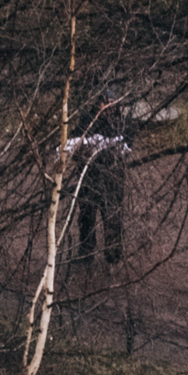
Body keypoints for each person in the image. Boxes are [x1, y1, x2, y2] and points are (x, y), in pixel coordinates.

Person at [67, 86, 132, 265]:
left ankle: (113, 256)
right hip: (89, 180)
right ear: (98, 104)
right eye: (106, 104)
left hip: (113, 182)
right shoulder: (87, 120)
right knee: (86, 217)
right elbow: (73, 144)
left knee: (113, 218)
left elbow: (127, 146)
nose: (110, 108)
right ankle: (85, 254)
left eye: (113, 104)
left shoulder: (122, 123)